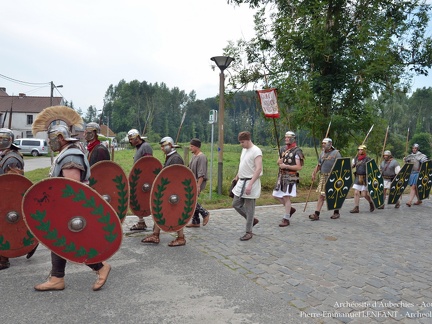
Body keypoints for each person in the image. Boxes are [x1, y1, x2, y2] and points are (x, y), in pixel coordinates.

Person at [32, 107, 111, 291]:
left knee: (71, 242)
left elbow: (71, 189)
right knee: (58, 240)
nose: (49, 142)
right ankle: (57, 277)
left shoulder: (71, 156)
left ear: (60, 137)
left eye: (51, 138)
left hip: (71, 210)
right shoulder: (66, 153)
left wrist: (63, 211)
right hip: (63, 209)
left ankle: (100, 267)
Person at [141, 136, 187, 246]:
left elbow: (177, 177)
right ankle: (155, 235)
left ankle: (181, 238)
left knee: (176, 213)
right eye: (161, 146)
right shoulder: (170, 157)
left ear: (170, 145)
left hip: (173, 192)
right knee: (159, 210)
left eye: (164, 146)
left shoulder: (175, 158)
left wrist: (170, 190)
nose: (162, 148)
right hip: (167, 190)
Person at [0, 128, 26, 271]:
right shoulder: (6, 155)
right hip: (3, 197)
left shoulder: (11, 159)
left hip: (7, 200)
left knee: (3, 226)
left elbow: (13, 184)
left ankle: (3, 259)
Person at [231, 131, 263, 241]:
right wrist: (237, 176)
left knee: (250, 209)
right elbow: (243, 165)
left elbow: (258, 169)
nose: (241, 144)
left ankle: (249, 232)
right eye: (240, 142)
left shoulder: (256, 151)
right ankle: (252, 220)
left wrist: (250, 184)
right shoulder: (244, 150)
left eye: (242, 142)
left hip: (251, 182)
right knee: (236, 203)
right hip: (241, 181)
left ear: (248, 140)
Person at [272, 131, 304, 227]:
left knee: (286, 197)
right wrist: (279, 162)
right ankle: (289, 209)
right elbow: (278, 161)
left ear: (293, 138)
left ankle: (286, 218)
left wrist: (286, 166)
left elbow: (299, 167)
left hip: (291, 176)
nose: (286, 139)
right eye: (285, 137)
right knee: (275, 195)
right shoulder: (283, 149)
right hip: (281, 175)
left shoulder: (297, 151)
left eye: (288, 137)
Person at [309, 138, 342, 220]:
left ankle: (336, 212)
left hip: (334, 177)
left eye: (324, 143)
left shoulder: (336, 153)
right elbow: (319, 165)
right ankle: (316, 214)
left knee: (334, 196)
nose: (323, 145)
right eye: (322, 143)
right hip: (323, 177)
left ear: (330, 144)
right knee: (321, 196)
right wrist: (314, 173)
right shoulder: (322, 154)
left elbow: (340, 166)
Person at [127, 128, 153, 231]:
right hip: (139, 179)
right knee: (137, 199)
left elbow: (148, 164)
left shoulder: (145, 147)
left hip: (144, 180)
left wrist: (144, 179)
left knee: (144, 200)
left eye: (131, 139)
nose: (130, 141)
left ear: (137, 138)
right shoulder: (139, 147)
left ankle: (147, 222)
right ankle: (141, 222)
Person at [186, 138, 210, 227]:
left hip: (198, 182)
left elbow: (201, 173)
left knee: (191, 201)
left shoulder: (201, 157)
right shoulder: (194, 156)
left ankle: (205, 213)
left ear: (196, 147)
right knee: (193, 200)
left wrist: (198, 185)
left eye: (192, 146)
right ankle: (195, 221)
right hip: (193, 182)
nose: (190, 148)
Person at [350, 144, 375, 213]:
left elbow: (372, 169)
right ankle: (356, 207)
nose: (360, 151)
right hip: (358, 177)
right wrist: (352, 166)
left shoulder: (368, 159)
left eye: (361, 150)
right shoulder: (355, 159)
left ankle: (370, 202)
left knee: (364, 194)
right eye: (359, 150)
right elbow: (352, 167)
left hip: (365, 178)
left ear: (364, 150)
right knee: (356, 192)